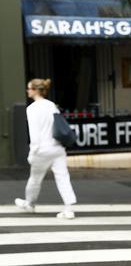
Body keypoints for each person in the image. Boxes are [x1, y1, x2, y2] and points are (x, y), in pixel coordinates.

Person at [15, 78, 77, 219]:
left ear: (35, 90)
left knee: (35, 179)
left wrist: (32, 152)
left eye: (29, 88)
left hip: (42, 149)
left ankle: (30, 204)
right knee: (63, 177)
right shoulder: (51, 105)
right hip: (57, 148)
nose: (27, 91)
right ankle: (69, 208)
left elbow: (35, 134)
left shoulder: (31, 109)